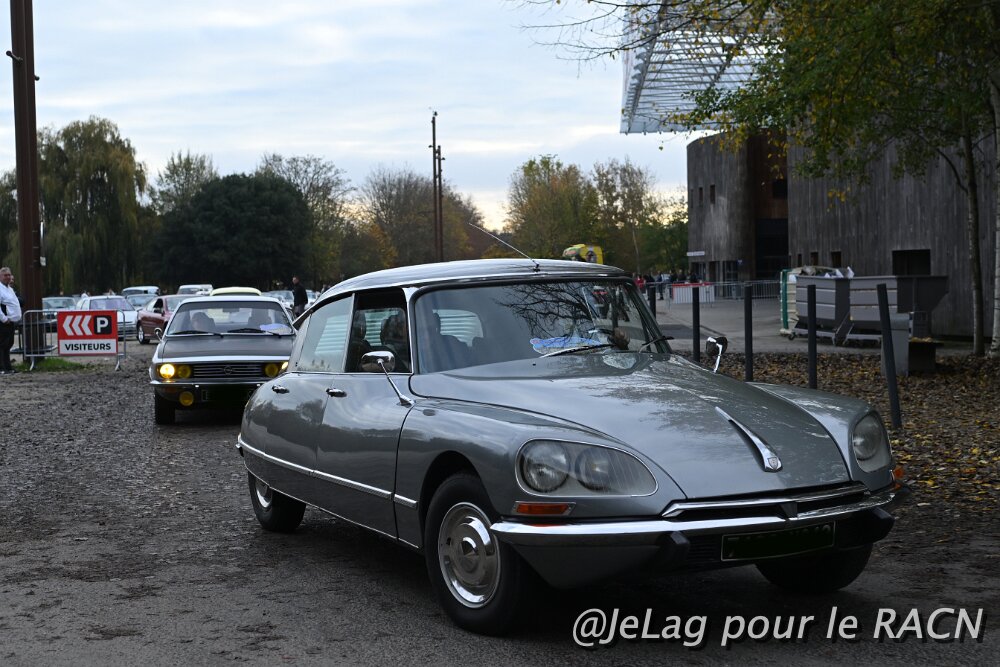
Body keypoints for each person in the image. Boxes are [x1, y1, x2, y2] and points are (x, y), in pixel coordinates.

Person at [0, 266, 22, 375]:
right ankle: (1, 368)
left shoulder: (9, 288)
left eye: (9, 275)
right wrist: (4, 319)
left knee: (8, 344)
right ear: (0, 276)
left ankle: (8, 367)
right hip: (3, 322)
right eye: (5, 275)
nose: (8, 277)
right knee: (2, 345)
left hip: (11, 322)